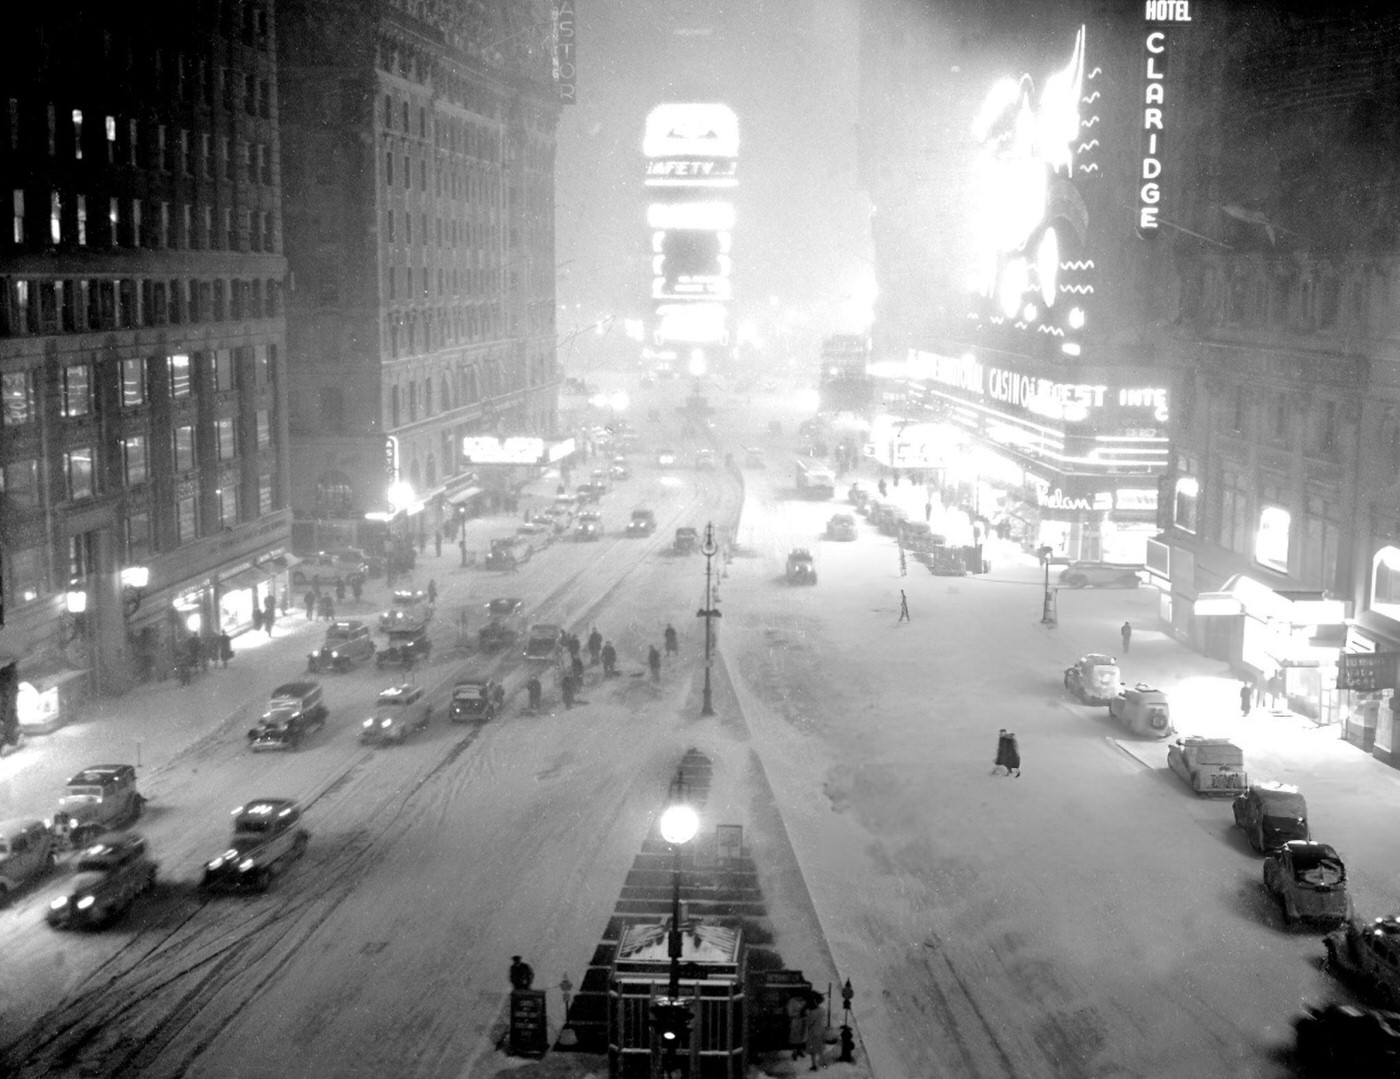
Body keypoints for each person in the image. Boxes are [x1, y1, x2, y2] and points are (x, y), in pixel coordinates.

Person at [804, 992, 827, 1071]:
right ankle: (824, 1064)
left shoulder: (811, 1013)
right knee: (820, 1049)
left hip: (812, 1032)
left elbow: (808, 1022)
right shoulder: (822, 1010)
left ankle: (814, 1065)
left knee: (812, 1050)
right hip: (820, 1031)